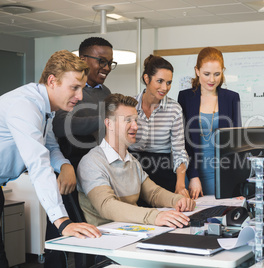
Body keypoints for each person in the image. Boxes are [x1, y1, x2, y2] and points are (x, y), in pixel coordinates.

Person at [0, 50, 102, 268]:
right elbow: (38, 164)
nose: (80, 96)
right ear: (52, 81)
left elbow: (50, 146)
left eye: (82, 88)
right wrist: (62, 222)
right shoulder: (24, 106)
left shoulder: (46, 108)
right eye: (74, 87)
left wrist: (65, 165)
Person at [77, 93, 195, 227]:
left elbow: (153, 193)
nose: (135, 126)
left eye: (136, 120)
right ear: (109, 124)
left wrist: (178, 200)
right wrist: (155, 216)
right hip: (104, 237)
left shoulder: (131, 161)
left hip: (132, 232)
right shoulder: (91, 162)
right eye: (128, 120)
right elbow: (107, 206)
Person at [50, 37, 115, 268]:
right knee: (62, 232)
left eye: (110, 63)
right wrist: (107, 118)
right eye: (101, 61)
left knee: (89, 230)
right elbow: (60, 126)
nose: (106, 68)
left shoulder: (105, 92)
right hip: (67, 169)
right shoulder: (69, 88)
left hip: (94, 169)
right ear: (82, 59)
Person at [178, 47, 242, 199]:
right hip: (194, 174)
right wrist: (193, 176)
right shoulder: (185, 97)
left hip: (223, 173)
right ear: (197, 71)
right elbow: (182, 141)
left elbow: (236, 143)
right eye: (206, 74)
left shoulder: (232, 98)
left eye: (217, 74)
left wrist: (238, 183)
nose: (212, 80)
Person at [128, 55, 190, 199]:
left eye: (168, 83)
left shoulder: (174, 109)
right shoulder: (129, 105)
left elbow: (179, 151)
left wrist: (180, 185)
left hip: (163, 171)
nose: (165, 88)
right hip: (132, 171)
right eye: (160, 81)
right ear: (146, 79)